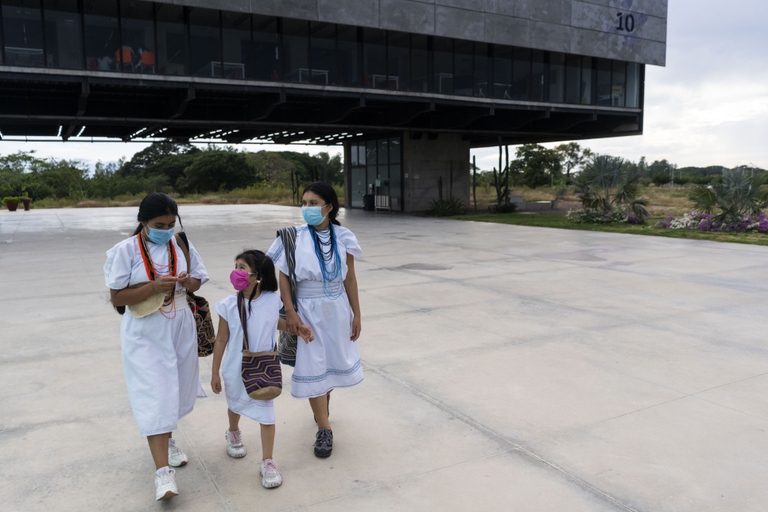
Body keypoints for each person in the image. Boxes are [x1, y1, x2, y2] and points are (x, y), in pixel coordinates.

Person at [104, 193, 208, 502]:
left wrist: (188, 282)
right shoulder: (125, 251)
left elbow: (199, 280)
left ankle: (168, 440)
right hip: (145, 330)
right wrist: (152, 287)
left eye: (170, 224)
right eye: (158, 225)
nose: (165, 230)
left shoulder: (181, 244)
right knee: (154, 393)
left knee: (174, 388)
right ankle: (163, 474)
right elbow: (117, 297)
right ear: (143, 222)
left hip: (179, 326)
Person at [267, 182, 363, 458]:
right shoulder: (292, 237)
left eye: (313, 203)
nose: (307, 208)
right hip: (307, 310)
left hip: (337, 309)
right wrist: (291, 312)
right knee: (312, 366)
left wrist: (357, 313)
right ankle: (324, 428)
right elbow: (283, 276)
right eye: (304, 203)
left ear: (329, 207)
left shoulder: (344, 236)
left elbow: (350, 277)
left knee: (331, 363)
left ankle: (325, 398)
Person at [210, 250, 313, 488]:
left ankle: (268, 461)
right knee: (235, 404)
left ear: (259, 277)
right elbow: (222, 339)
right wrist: (215, 372)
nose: (237, 271)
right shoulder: (228, 305)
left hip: (264, 368)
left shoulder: (272, 300)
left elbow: (273, 321)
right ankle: (233, 432)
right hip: (236, 367)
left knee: (267, 412)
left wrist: (296, 328)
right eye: (236, 265)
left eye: (243, 267)